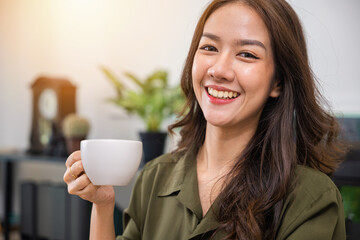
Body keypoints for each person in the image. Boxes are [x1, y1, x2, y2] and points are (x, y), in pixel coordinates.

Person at [63, 0, 347, 239]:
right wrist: (103, 205)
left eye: (247, 54)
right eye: (209, 48)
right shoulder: (154, 178)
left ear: (279, 82)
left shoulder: (311, 198)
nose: (219, 69)